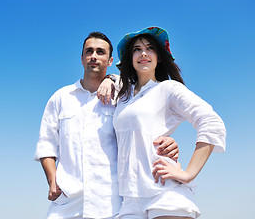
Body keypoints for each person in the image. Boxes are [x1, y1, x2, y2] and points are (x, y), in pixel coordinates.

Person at [34, 31, 180, 219]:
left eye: (100, 52)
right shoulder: (60, 98)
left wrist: (168, 142)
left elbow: (143, 127)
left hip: (111, 205)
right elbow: (46, 144)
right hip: (66, 204)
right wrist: (52, 180)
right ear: (81, 58)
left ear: (110, 60)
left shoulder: (125, 95)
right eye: (89, 51)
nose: (94, 56)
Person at [98, 27, 226, 219]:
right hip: (130, 200)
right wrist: (108, 78)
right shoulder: (124, 95)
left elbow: (211, 121)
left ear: (159, 56)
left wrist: (189, 173)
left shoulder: (168, 89)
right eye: (136, 49)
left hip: (164, 193)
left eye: (150, 48)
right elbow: (119, 82)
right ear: (129, 58)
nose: (143, 53)